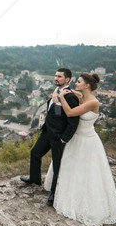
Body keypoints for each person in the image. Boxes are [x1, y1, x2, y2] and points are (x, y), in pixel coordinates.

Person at [44, 73, 116, 226]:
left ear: (87, 85)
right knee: (70, 168)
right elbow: (59, 90)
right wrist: (57, 94)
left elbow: (71, 113)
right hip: (76, 137)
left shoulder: (93, 102)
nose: (76, 83)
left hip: (87, 140)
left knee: (86, 173)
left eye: (79, 82)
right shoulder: (80, 96)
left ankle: (86, 203)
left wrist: (63, 98)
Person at [20, 68, 80, 206]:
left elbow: (73, 121)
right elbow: (58, 114)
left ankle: (54, 193)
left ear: (68, 79)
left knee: (57, 165)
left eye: (59, 76)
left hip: (58, 137)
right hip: (47, 132)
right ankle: (35, 179)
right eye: (55, 75)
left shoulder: (70, 97)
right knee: (35, 153)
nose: (56, 78)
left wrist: (64, 138)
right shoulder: (57, 92)